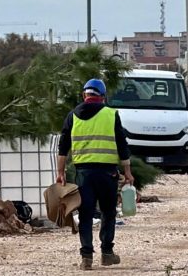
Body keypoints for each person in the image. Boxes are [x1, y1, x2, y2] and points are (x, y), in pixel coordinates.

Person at [56, 78, 134, 271]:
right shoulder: (111, 114)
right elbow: (122, 145)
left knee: (85, 214)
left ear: (85, 95)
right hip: (107, 173)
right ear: (102, 96)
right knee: (108, 212)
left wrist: (60, 172)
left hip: (83, 174)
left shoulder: (72, 115)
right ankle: (107, 253)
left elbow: (63, 147)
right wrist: (127, 172)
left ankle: (86, 258)